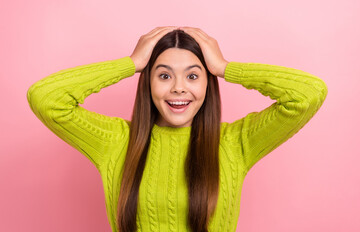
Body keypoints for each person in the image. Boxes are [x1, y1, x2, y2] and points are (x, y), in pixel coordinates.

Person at [27, 26, 328, 232]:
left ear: (208, 85)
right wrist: (130, 64)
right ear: (149, 83)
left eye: (193, 76)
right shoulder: (117, 142)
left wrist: (225, 68)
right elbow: (46, 99)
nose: (179, 89)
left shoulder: (234, 143)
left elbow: (307, 94)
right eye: (164, 75)